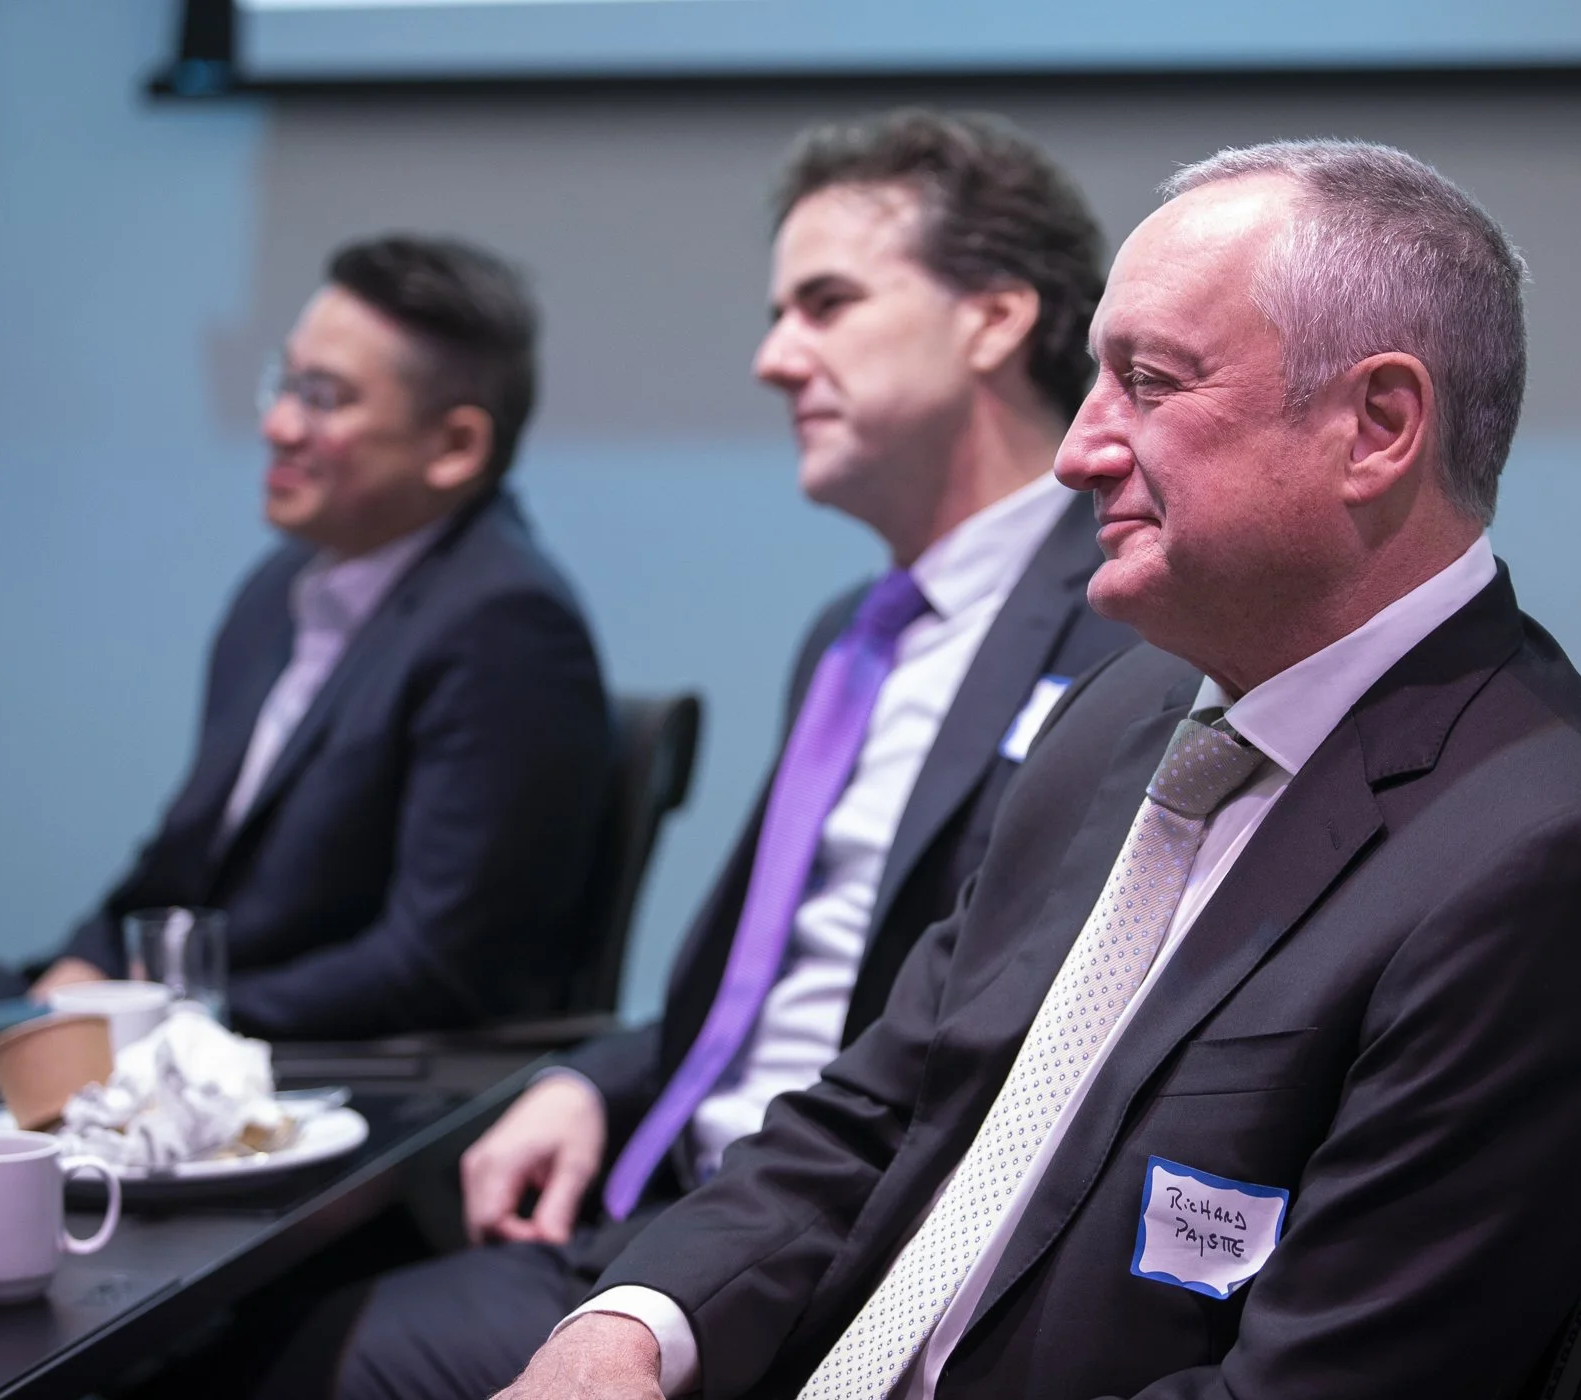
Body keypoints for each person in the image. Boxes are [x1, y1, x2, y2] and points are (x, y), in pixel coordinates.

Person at [510, 140, 1581, 1400]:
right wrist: (633, 1324)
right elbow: (880, 1108)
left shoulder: (1557, 858)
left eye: (1148, 382)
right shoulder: (1127, 707)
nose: (1080, 450)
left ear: (1379, 426)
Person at [277, 110, 1136, 1400]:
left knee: (280, 1355)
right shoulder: (850, 637)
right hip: (671, 1206)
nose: (773, 358)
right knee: (246, 1324)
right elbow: (759, 985)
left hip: (842, 1267)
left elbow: (995, 1044)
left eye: (826, 303)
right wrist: (589, 1075)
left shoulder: (1123, 632)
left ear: (995, 320)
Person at [0, 235, 612, 1041]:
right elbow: (181, 863)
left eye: (325, 398)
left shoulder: (506, 626)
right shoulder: (280, 590)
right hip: (167, 1023)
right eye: (284, 383)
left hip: (303, 1064)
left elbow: (434, 970)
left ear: (455, 448)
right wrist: (83, 968)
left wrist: (157, 1022)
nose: (279, 424)